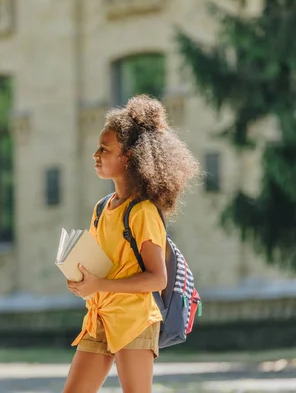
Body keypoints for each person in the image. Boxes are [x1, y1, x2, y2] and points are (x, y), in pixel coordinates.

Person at [63, 95, 201, 393]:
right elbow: (103, 264)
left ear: (128, 157)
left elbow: (157, 278)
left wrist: (98, 284)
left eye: (105, 148)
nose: (95, 155)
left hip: (135, 319)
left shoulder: (143, 212)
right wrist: (81, 278)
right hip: (99, 318)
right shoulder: (102, 208)